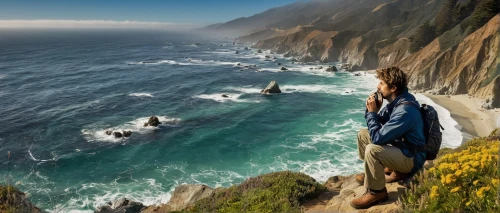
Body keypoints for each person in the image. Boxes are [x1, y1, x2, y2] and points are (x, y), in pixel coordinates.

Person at [350, 67, 426, 209]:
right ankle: (372, 174)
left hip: (412, 158)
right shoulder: (396, 102)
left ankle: (377, 192)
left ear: (393, 87)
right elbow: (381, 122)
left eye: (381, 83)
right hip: (403, 148)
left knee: (373, 150)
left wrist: (372, 114)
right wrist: (372, 111)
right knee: (363, 134)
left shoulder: (404, 110)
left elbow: (378, 138)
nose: (377, 87)